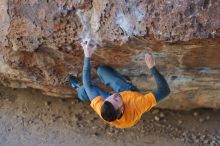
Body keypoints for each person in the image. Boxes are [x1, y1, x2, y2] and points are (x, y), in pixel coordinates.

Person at [66, 40, 170, 128]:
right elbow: (165, 91)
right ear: (121, 109)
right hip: (129, 93)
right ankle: (122, 81)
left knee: (85, 89)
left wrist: (87, 55)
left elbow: (88, 85)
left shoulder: (103, 109)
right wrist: (152, 67)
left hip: (115, 104)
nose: (113, 95)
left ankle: (77, 86)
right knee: (102, 72)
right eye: (115, 99)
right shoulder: (138, 104)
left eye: (109, 98)